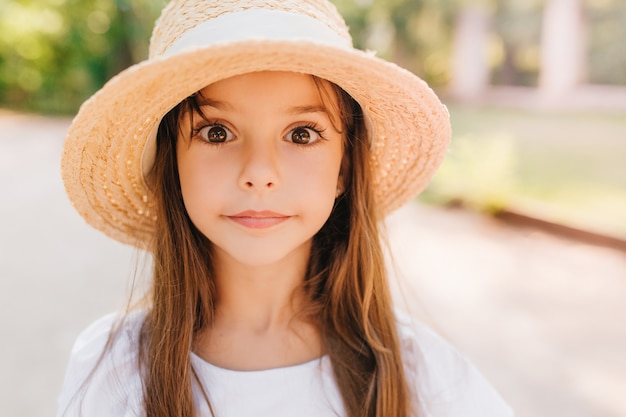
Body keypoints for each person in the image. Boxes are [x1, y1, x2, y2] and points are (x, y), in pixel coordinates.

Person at [57, 0, 514, 416]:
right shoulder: (113, 371)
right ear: (171, 163)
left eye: (301, 134)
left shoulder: (427, 380)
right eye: (217, 132)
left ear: (344, 169)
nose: (259, 172)